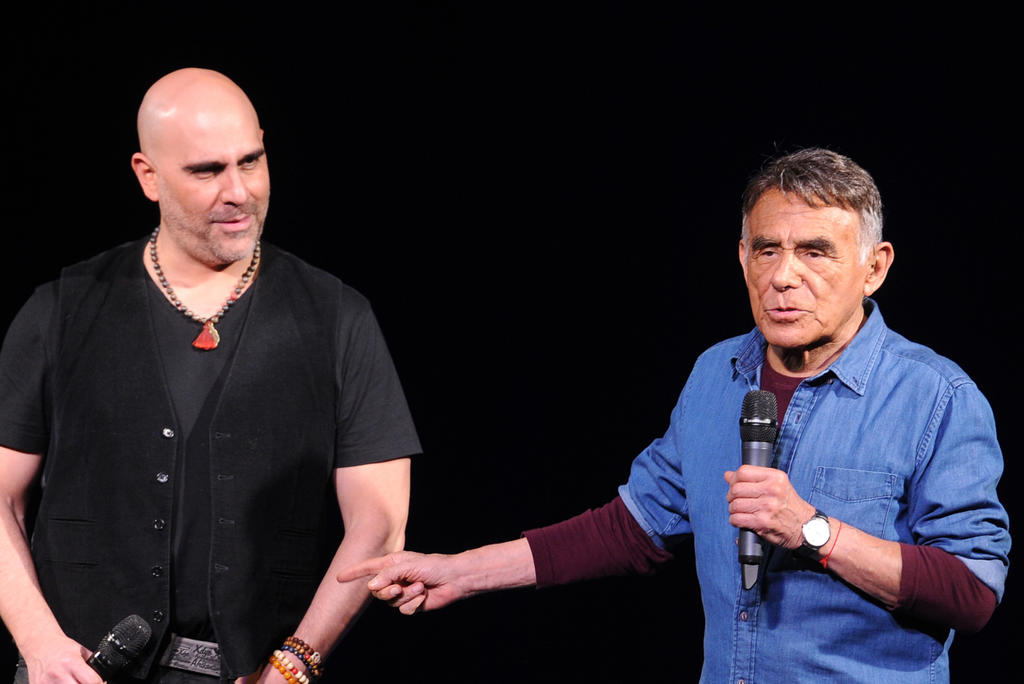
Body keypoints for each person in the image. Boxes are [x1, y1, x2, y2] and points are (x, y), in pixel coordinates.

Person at [340, 149, 1010, 682]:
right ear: (742, 258)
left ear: (874, 268)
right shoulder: (717, 376)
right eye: (767, 249)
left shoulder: (936, 398)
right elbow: (631, 528)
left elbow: (974, 592)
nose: (783, 276)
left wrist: (812, 531)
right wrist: (460, 572)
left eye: (815, 251)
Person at [0, 68, 420, 684]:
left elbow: (379, 523)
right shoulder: (60, 310)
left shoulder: (338, 318)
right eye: (207, 171)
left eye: (251, 161)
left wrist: (294, 664)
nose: (239, 191)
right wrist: (40, 644)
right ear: (148, 175)